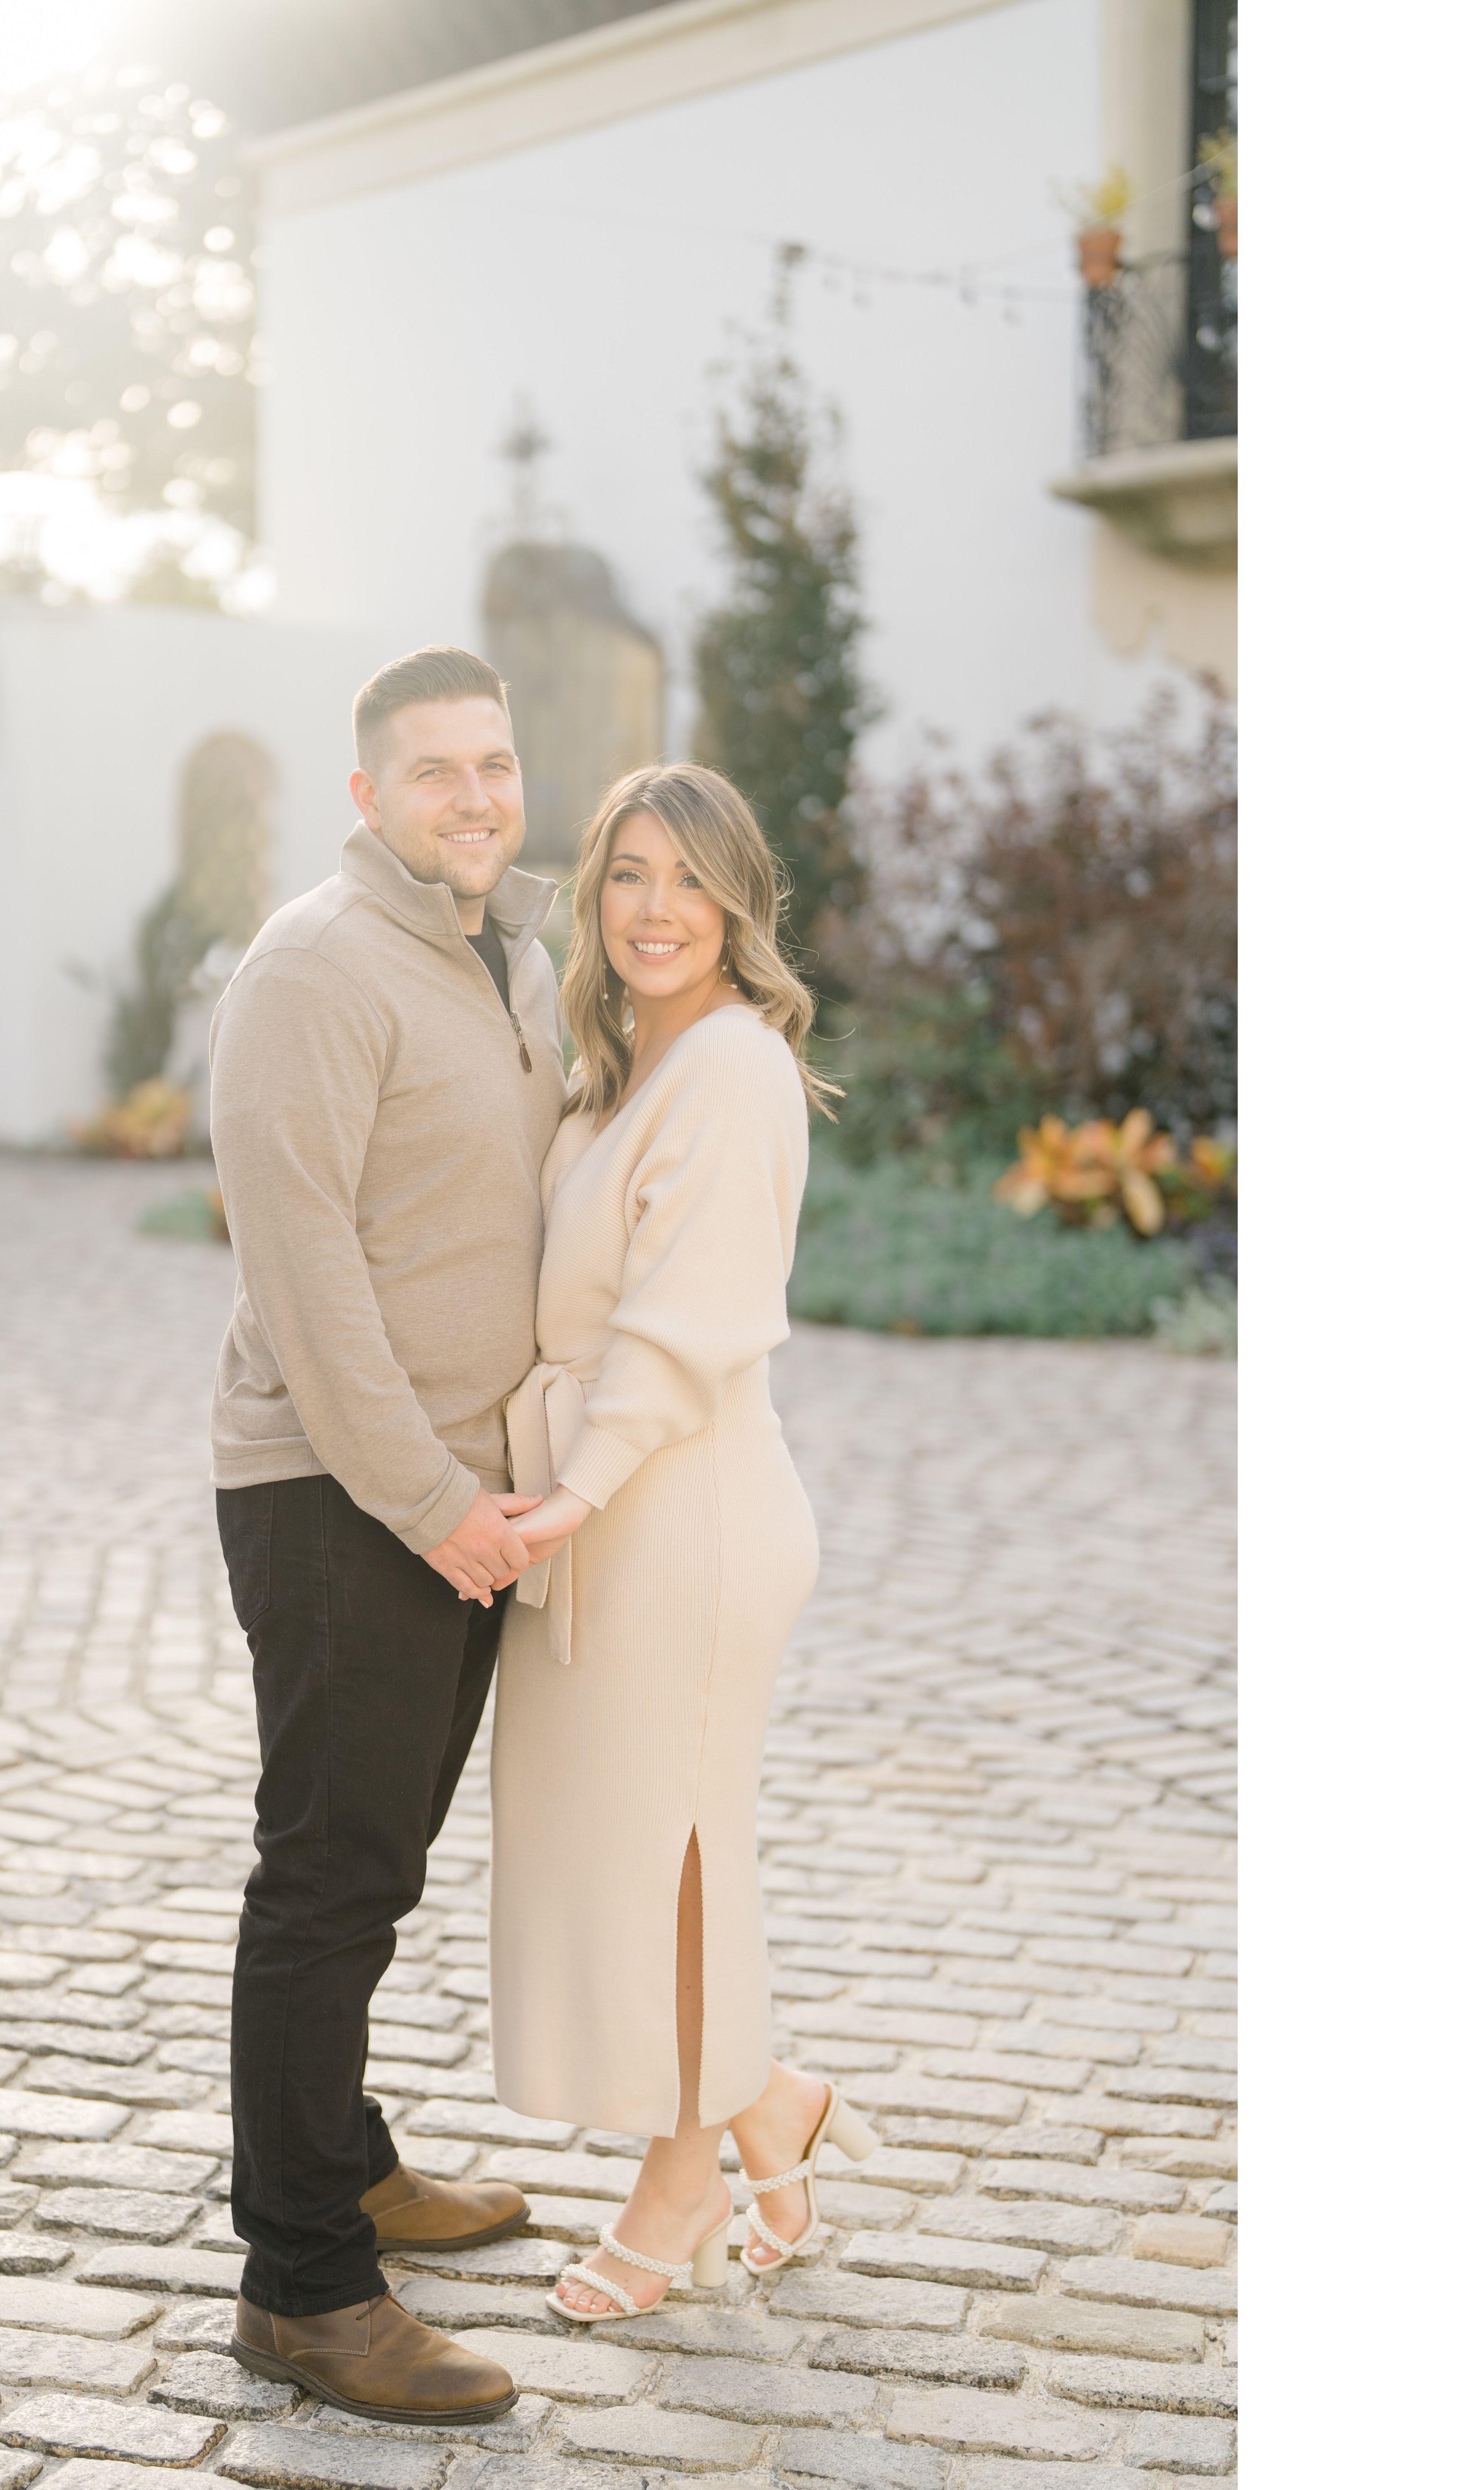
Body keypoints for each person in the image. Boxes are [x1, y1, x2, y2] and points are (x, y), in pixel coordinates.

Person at [208, 646, 560, 2422]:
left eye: (493, 763)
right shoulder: (314, 969)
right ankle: (304, 2287)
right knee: (328, 1877)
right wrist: (431, 1506)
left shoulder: (513, 957)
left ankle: (343, 2159)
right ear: (367, 795)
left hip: (462, 1501)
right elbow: (307, 1273)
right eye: (435, 771)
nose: (474, 797)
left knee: (379, 1863)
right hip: (340, 1496)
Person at [484, 762, 881, 2322]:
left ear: (737, 906)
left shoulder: (731, 1065)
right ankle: (768, 2102)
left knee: (680, 1856)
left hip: (681, 1514)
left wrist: (574, 1491)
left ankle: (679, 2185)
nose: (656, 910)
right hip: (605, 1505)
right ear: (594, 894)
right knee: (617, 1856)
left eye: (690, 881)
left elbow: (686, 1317)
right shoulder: (615, 1066)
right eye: (629, 875)